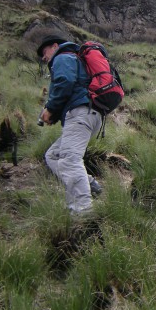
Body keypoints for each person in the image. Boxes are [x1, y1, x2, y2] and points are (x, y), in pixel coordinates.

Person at [37, 35, 103, 215]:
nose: (44, 58)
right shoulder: (74, 58)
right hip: (90, 115)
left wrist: (50, 109)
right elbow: (74, 88)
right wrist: (55, 114)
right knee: (53, 155)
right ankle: (90, 184)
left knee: (69, 161)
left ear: (55, 46)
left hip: (81, 114)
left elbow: (65, 82)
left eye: (45, 52)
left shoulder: (62, 57)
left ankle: (82, 212)